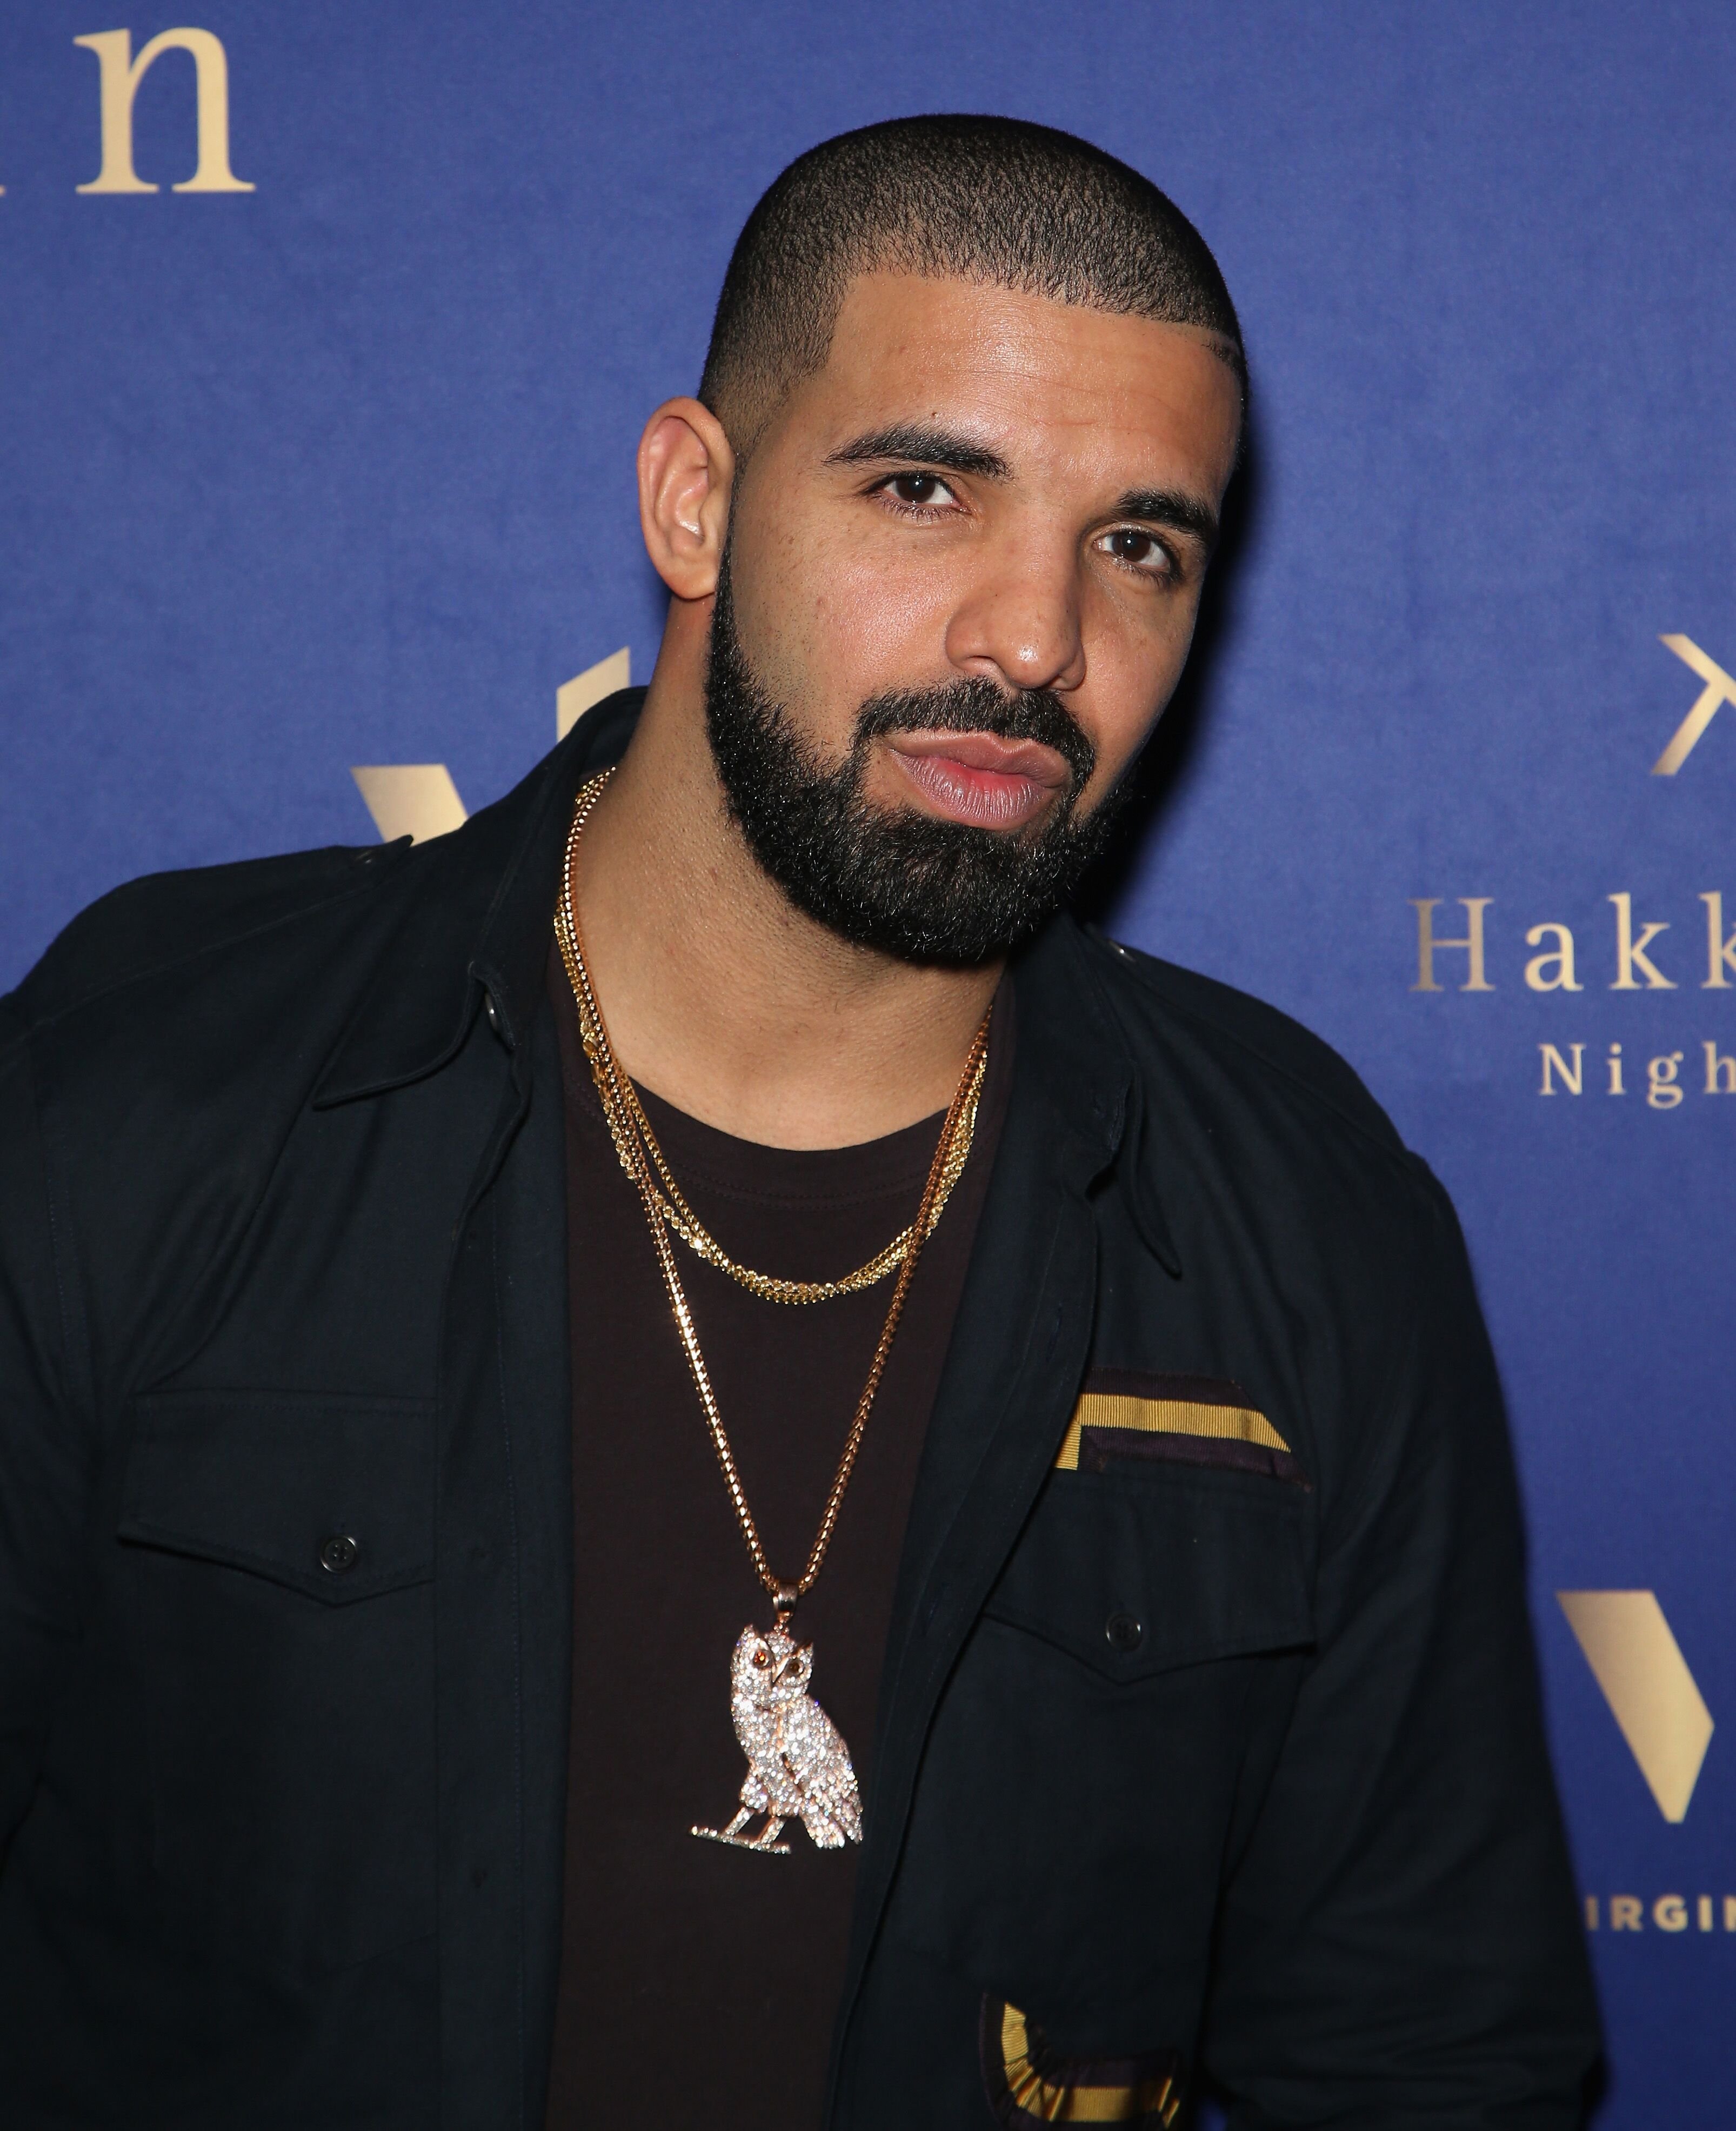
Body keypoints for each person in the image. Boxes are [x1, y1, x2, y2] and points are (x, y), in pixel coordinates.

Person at [0, 115, 1598, 2128]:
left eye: (1138, 544)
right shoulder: (163, 1081)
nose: (1035, 639)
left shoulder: (1302, 1213)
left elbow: (1425, 2057)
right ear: (695, 499)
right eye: (926, 487)